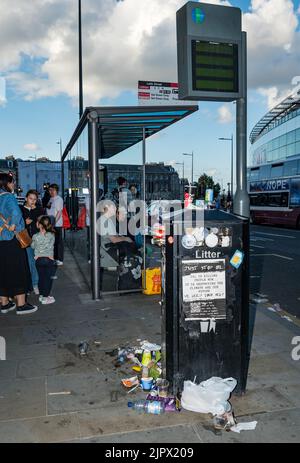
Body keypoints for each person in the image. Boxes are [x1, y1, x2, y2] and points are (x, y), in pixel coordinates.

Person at [0, 172, 38, 315]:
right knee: (19, 270)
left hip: (0, 241)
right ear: (6, 184)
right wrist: (15, 227)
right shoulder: (8, 197)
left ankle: (4, 304)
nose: (14, 184)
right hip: (12, 240)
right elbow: (16, 214)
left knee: (3, 271)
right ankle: (21, 305)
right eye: (12, 182)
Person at [20, 190, 44, 294]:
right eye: (30, 198)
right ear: (26, 198)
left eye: (34, 199)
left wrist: (34, 211)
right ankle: (30, 285)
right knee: (29, 263)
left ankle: (35, 284)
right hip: (25, 240)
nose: (32, 201)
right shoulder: (20, 208)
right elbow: (17, 223)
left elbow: (42, 222)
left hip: (37, 239)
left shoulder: (39, 209)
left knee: (35, 262)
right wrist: (24, 222)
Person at [31, 216, 56, 305]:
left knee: (41, 278)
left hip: (38, 259)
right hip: (48, 259)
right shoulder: (51, 235)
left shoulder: (35, 236)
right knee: (47, 279)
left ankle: (41, 295)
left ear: (39, 225)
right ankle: (46, 297)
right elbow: (51, 246)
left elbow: (33, 246)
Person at [46, 183, 64, 266]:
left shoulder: (59, 199)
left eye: (53, 190)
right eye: (50, 190)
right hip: (50, 224)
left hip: (57, 224)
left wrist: (54, 223)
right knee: (53, 242)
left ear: (56, 190)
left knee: (58, 242)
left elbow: (59, 212)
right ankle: (55, 258)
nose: (51, 191)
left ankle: (60, 259)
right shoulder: (51, 199)